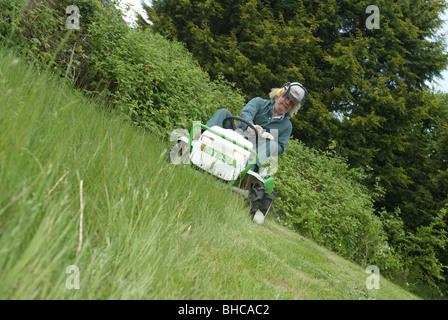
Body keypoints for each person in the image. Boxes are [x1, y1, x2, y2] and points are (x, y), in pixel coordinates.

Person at [205, 82, 308, 170]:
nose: (287, 102)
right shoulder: (259, 102)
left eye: (291, 103)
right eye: (287, 97)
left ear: (293, 108)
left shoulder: (286, 126)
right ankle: (201, 139)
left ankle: (246, 167)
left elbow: (280, 147)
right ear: (279, 94)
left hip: (255, 150)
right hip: (237, 133)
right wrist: (250, 127)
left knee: (273, 145)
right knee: (223, 112)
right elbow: (246, 113)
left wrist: (269, 138)